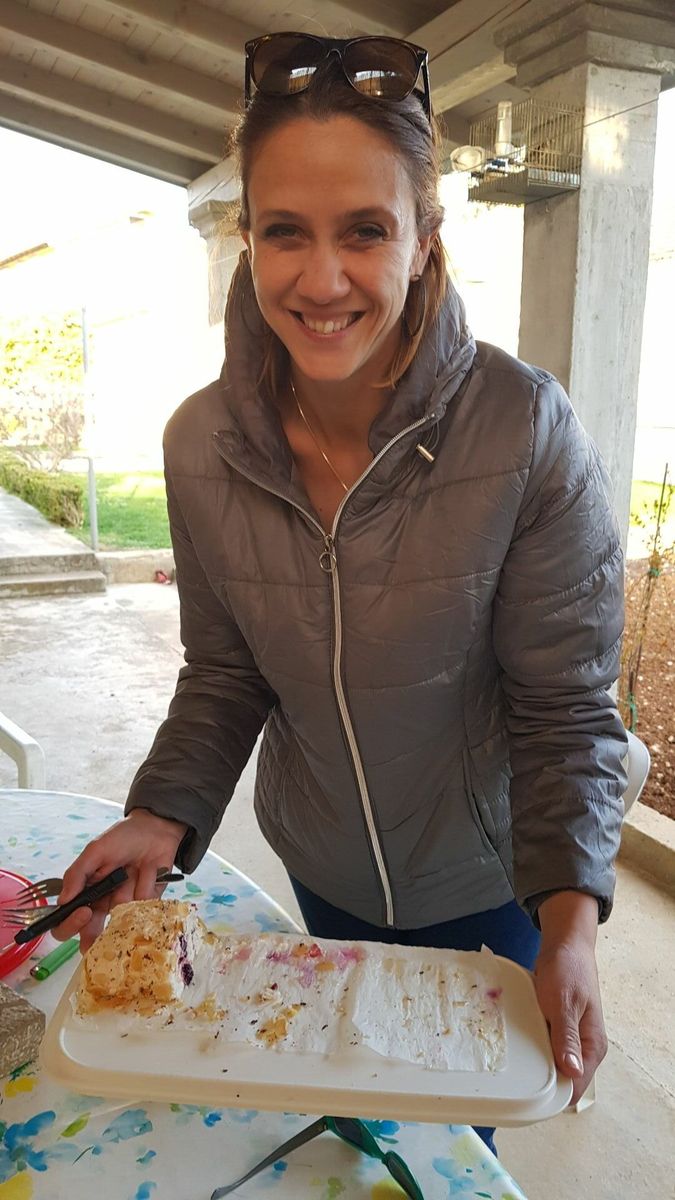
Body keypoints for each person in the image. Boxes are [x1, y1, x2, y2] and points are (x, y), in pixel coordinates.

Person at [54, 33, 628, 1150]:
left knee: (450, 1142)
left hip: (492, 880)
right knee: (358, 1124)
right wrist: (162, 813)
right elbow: (226, 671)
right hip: (319, 864)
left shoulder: (524, 429)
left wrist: (570, 922)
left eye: (365, 230)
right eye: (286, 231)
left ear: (423, 240)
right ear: (248, 238)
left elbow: (564, 707)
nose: (321, 281)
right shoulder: (200, 443)